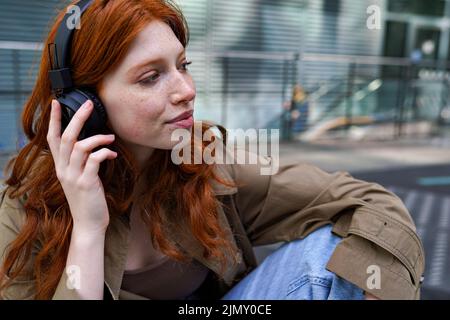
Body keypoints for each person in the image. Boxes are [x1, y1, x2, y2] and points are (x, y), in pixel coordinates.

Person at [0, 0, 424, 300]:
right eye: (150, 77)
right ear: (85, 104)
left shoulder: (204, 162)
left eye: (182, 65)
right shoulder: (24, 206)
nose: (186, 91)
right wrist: (89, 229)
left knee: (329, 255)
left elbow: (371, 203)